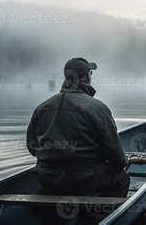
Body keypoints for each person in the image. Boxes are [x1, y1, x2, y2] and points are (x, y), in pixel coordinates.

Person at [26, 58, 130, 198]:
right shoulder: (97, 108)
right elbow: (116, 156)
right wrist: (121, 162)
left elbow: (32, 147)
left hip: (47, 179)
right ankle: (100, 215)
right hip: (85, 180)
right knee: (122, 178)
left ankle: (49, 214)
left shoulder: (42, 108)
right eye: (90, 74)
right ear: (87, 77)